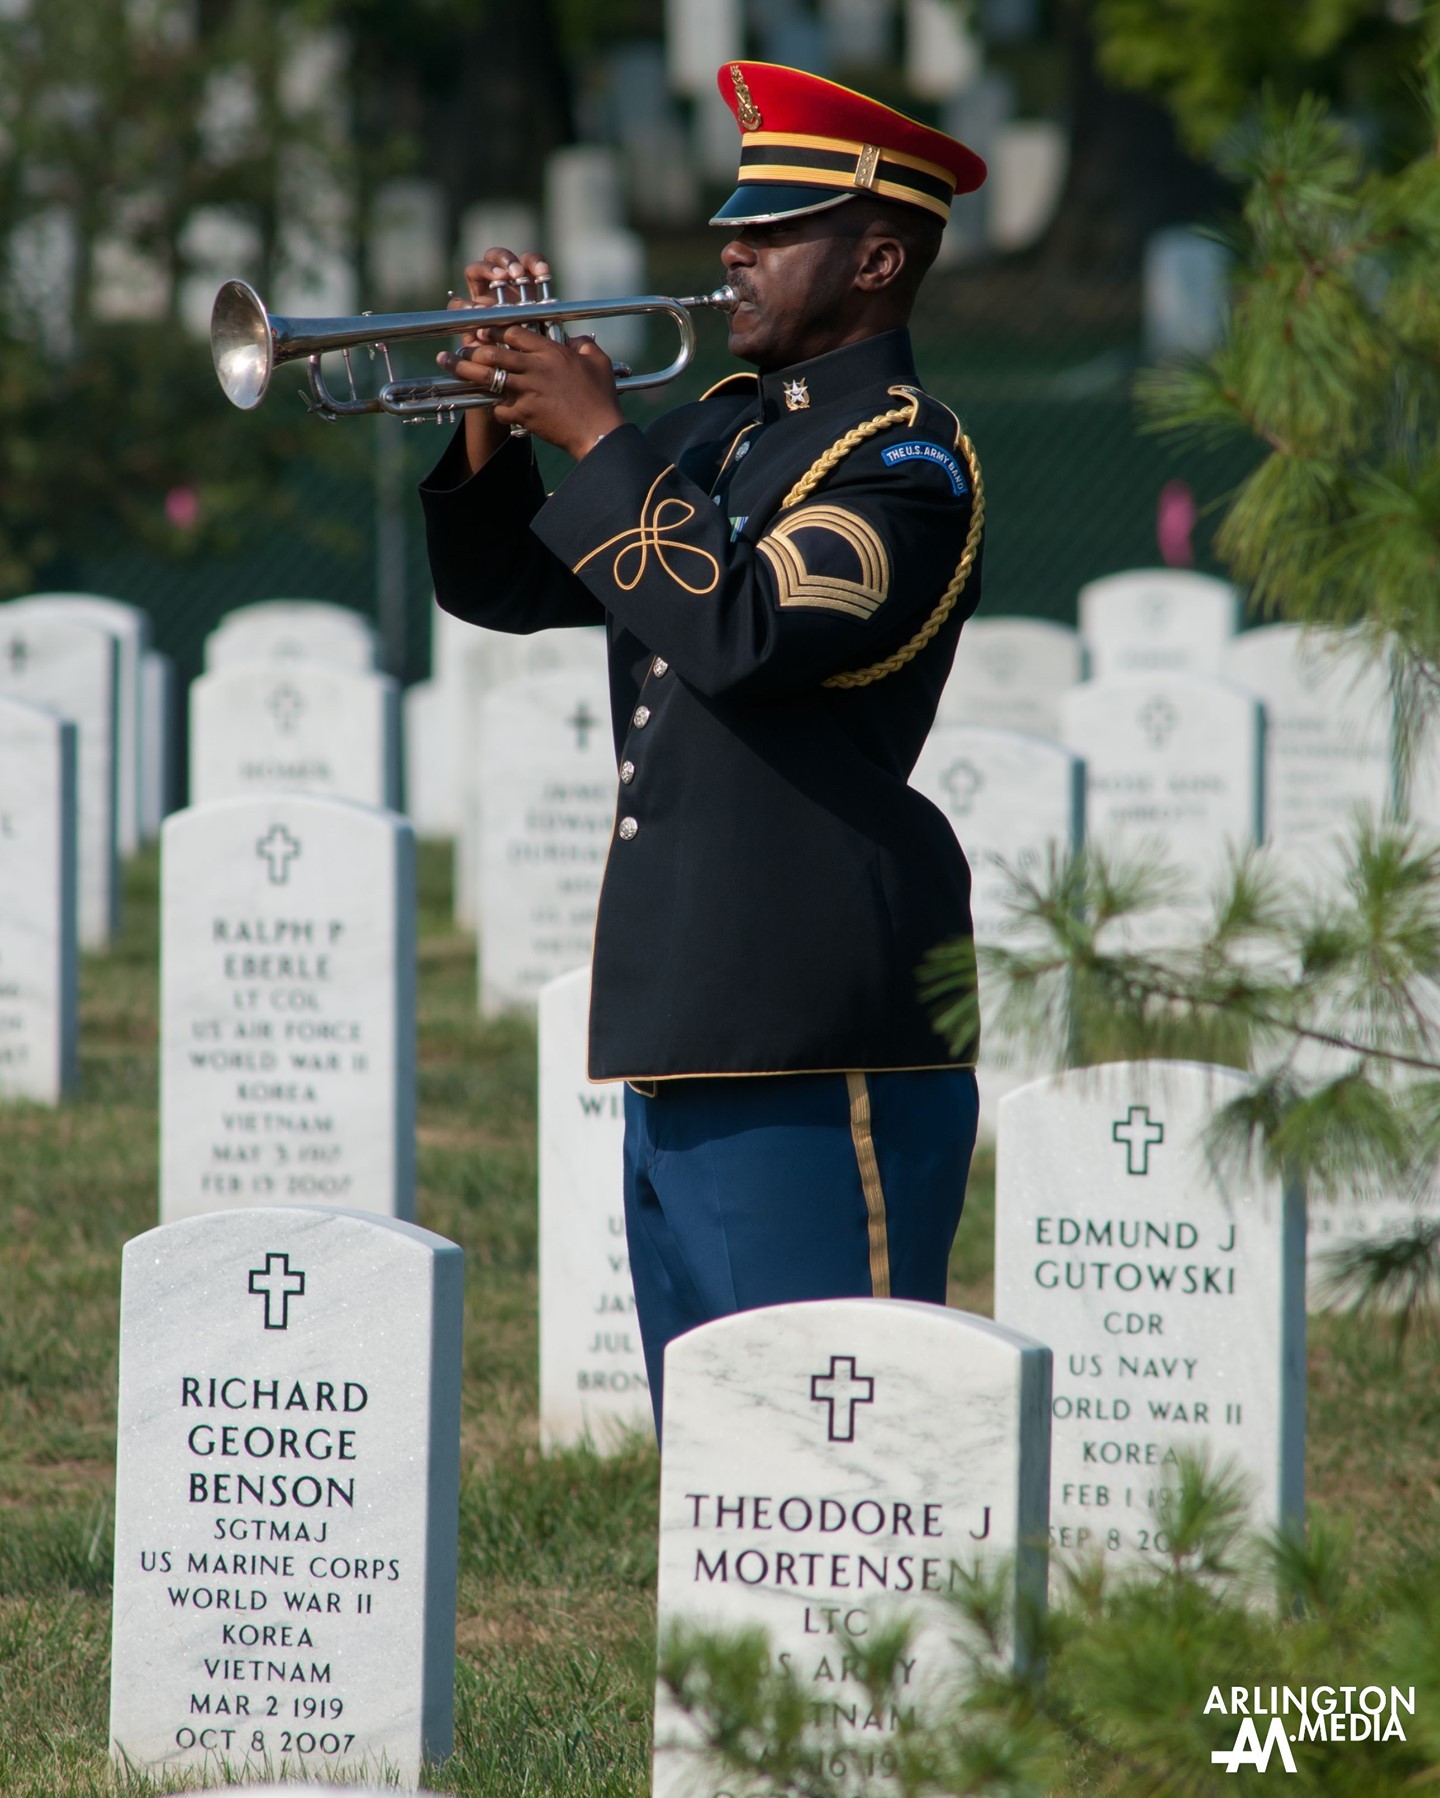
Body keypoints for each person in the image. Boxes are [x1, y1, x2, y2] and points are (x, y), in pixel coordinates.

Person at [420, 61, 988, 1434]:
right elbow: (505, 588)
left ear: (878, 257)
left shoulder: (908, 466)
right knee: (728, 1467)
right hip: (691, 1013)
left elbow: (742, 627)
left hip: (814, 1018)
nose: (730, 248)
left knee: (830, 1453)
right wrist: (496, 405)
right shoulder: (722, 438)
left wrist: (604, 431)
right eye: (733, 221)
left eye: (774, 229)